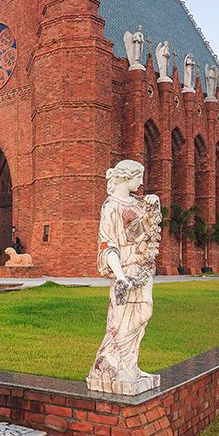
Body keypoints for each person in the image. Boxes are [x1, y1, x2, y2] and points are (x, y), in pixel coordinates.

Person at [87, 160, 162, 394]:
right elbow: (107, 244)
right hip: (125, 269)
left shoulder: (138, 203)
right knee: (120, 320)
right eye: (138, 177)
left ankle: (131, 366)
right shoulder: (110, 206)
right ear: (126, 177)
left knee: (144, 313)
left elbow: (150, 230)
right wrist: (120, 275)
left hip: (143, 268)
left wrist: (153, 205)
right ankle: (111, 366)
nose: (141, 182)